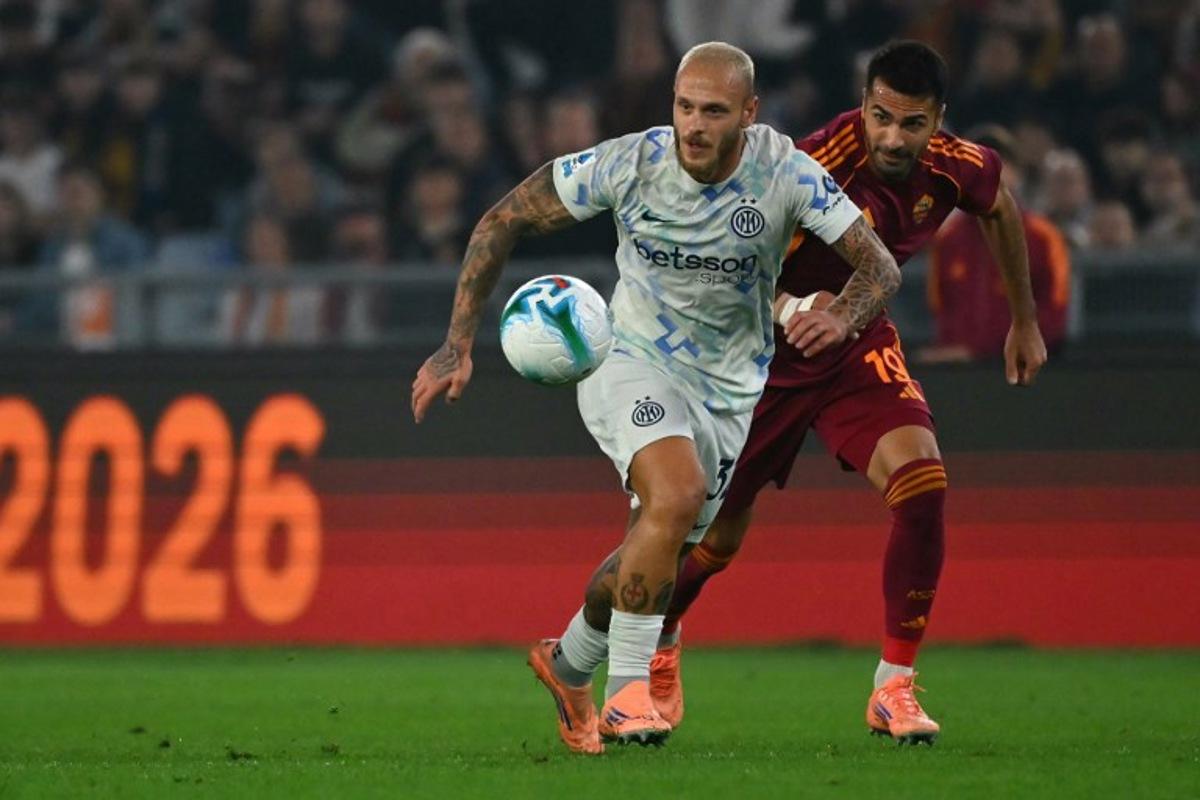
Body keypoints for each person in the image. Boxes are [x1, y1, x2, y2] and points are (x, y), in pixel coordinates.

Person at [411, 42, 900, 754]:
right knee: (673, 497)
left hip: (730, 390)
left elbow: (879, 266)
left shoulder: (785, 171)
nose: (694, 125)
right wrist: (457, 344)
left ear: (748, 114)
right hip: (629, 360)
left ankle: (569, 662)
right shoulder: (630, 163)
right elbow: (502, 219)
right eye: (684, 107)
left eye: (713, 111)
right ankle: (629, 693)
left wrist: (843, 315)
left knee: (657, 546)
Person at [644, 41, 1048, 745]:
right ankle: (658, 638)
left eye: (911, 123)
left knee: (922, 485)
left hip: (853, 343)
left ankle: (893, 685)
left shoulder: (960, 165)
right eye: (880, 116)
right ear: (862, 107)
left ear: (938, 121)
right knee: (713, 542)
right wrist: (788, 311)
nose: (893, 137)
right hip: (760, 353)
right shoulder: (808, 165)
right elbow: (722, 260)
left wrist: (1025, 318)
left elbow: (1000, 209)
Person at [925, 126, 1070, 359]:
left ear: (1018, 174)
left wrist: (980, 351)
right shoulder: (948, 239)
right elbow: (940, 312)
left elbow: (1055, 317)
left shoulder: (1044, 237)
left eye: (1000, 164)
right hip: (962, 376)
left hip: (1029, 373)